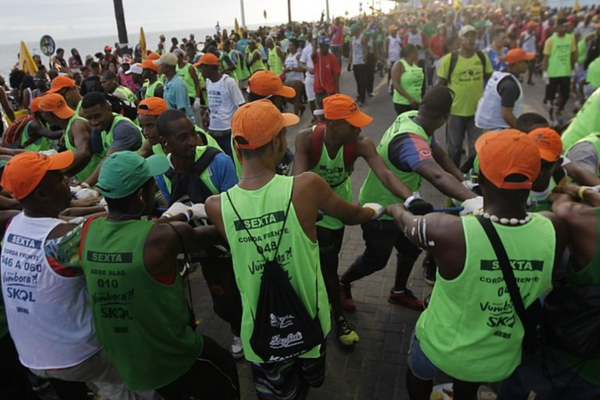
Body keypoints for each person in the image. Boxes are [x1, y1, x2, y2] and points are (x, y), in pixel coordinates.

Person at [205, 99, 384, 400]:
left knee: (278, 392)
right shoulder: (305, 187)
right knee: (310, 381)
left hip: (260, 333)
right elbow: (352, 216)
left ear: (237, 150)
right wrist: (374, 210)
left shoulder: (216, 206)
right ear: (277, 142)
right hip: (309, 323)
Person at [387, 130, 567, 400]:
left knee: (419, 371)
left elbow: (408, 224)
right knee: (467, 381)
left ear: (479, 178)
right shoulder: (555, 227)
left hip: (440, 346)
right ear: (537, 177)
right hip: (498, 356)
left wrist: (394, 208)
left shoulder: (446, 231)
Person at [49, 151, 240, 399]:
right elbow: (223, 232)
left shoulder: (85, 233)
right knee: (223, 364)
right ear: (142, 194)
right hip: (174, 357)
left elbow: (107, 231)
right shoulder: (163, 237)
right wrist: (195, 212)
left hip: (126, 362)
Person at [0, 151, 148, 400]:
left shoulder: (14, 226)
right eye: (59, 178)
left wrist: (98, 210)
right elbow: (116, 238)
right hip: (76, 354)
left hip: (31, 354)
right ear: (42, 194)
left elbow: (65, 218)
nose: (67, 179)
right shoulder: (66, 239)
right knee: (142, 378)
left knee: (113, 384)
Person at [339, 87, 477, 312]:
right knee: (376, 259)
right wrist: (474, 201)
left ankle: (399, 292)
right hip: (381, 208)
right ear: (445, 117)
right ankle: (342, 283)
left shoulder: (414, 118)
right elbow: (436, 175)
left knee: (411, 249)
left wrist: (463, 182)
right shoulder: (410, 139)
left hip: (408, 203)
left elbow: (438, 153)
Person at [293, 94, 415, 346]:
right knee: (315, 263)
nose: (359, 128)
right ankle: (336, 317)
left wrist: (411, 198)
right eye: (353, 123)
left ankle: (331, 304)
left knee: (330, 260)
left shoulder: (360, 143)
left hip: (338, 208)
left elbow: (385, 174)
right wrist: (307, 207)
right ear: (333, 124)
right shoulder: (306, 139)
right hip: (311, 205)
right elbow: (299, 179)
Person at [495, 185, 600, 400]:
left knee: (518, 382)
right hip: (594, 374)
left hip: (565, 347)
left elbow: (560, 203)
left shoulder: (582, 219)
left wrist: (582, 191)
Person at [437, 25, 493, 167]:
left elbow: (491, 80)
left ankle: (472, 177)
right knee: (455, 148)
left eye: (473, 36)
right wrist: (437, 108)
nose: (470, 39)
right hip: (455, 111)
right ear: (460, 39)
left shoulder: (482, 57)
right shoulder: (450, 59)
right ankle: (454, 177)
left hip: (477, 112)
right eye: (466, 36)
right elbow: (440, 84)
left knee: (476, 148)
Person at [79, 92, 144, 187]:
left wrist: (85, 185)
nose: (94, 122)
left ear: (109, 109)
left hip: (147, 184)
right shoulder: (99, 128)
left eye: (97, 116)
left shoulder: (123, 128)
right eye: (89, 118)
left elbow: (109, 160)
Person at [39, 93, 96, 183]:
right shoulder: (69, 126)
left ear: (48, 114)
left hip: (98, 184)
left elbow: (84, 152)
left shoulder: (77, 125)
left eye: (41, 112)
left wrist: (60, 174)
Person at [196, 53, 245, 157]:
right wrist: (207, 113)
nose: (200, 71)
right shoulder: (208, 82)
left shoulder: (229, 83)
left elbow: (242, 106)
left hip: (228, 132)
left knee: (231, 160)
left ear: (210, 67)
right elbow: (214, 104)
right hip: (213, 131)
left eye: (202, 68)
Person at [475, 48, 534, 130]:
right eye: (526, 61)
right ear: (517, 63)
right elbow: (507, 114)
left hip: (487, 126)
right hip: (497, 130)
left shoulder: (500, 74)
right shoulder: (510, 86)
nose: (528, 64)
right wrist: (522, 130)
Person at [543, 18, 577, 126]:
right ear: (556, 27)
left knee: (566, 95)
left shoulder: (571, 38)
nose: (564, 28)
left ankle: (559, 110)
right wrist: (545, 72)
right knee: (550, 98)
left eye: (565, 26)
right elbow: (546, 58)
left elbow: (573, 54)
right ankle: (551, 117)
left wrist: (573, 67)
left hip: (565, 72)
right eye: (562, 26)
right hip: (553, 72)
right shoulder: (550, 40)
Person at [154, 53, 195, 123]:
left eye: (161, 65)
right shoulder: (167, 81)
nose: (159, 68)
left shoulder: (178, 85)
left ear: (168, 67)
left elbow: (181, 110)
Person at [391, 44, 424, 116]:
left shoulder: (415, 64)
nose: (418, 54)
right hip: (403, 103)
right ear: (411, 53)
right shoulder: (399, 64)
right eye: (416, 52)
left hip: (416, 102)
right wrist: (409, 99)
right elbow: (396, 84)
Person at [312, 36, 341, 110]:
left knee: (331, 111)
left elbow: (336, 73)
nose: (328, 47)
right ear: (321, 46)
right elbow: (313, 54)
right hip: (319, 90)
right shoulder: (316, 56)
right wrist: (314, 41)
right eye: (326, 45)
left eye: (328, 45)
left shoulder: (332, 57)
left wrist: (337, 89)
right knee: (320, 111)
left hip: (330, 90)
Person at [283, 38, 305, 117]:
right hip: (289, 79)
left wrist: (291, 69)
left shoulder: (298, 55)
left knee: (295, 97)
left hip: (297, 79)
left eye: (291, 45)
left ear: (296, 46)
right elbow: (285, 66)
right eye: (289, 45)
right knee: (286, 97)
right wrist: (285, 70)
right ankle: (301, 107)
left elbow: (302, 68)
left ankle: (295, 116)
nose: (289, 47)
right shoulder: (288, 56)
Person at [348, 23, 368, 106]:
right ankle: (359, 96)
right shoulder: (352, 39)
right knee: (358, 81)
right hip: (355, 63)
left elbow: (366, 50)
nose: (351, 32)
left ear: (356, 30)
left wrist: (363, 61)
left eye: (352, 30)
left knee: (362, 81)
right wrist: (350, 62)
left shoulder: (362, 38)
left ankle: (362, 98)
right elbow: (351, 51)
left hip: (361, 62)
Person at [300, 33, 317, 121]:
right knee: (311, 99)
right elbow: (302, 63)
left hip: (320, 78)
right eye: (311, 38)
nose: (313, 40)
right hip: (310, 78)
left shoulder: (324, 48)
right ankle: (315, 118)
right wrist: (308, 68)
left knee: (323, 99)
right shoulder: (306, 50)